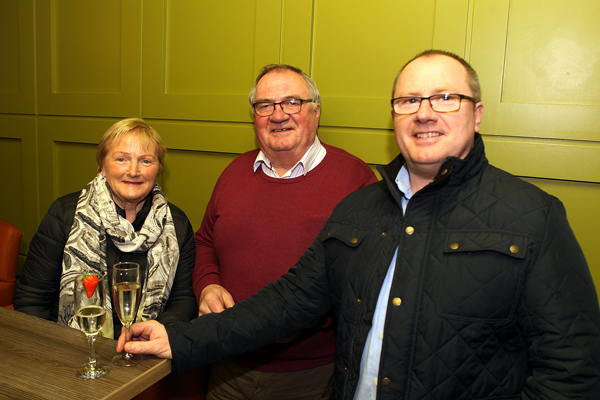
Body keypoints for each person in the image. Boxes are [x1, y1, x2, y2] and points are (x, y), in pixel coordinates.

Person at [118, 51, 600, 399]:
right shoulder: (363, 210)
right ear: (393, 116)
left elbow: (572, 370)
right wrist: (178, 339)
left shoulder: (533, 216)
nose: (425, 112)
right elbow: (285, 302)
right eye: (408, 100)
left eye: (445, 98)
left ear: (476, 114)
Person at [193, 64, 377, 399]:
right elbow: (205, 240)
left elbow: (369, 277)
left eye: (292, 102)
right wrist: (208, 285)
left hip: (311, 375)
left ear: (316, 111)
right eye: (265, 105)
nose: (278, 115)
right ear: (254, 117)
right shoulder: (233, 173)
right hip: (227, 364)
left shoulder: (356, 180)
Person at [15, 118, 197, 339]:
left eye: (146, 161)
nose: (133, 171)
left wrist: (153, 336)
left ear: (159, 169)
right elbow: (32, 298)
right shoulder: (65, 214)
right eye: (121, 159)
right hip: (69, 348)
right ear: (102, 164)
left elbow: (183, 299)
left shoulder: (176, 223)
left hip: (146, 351)